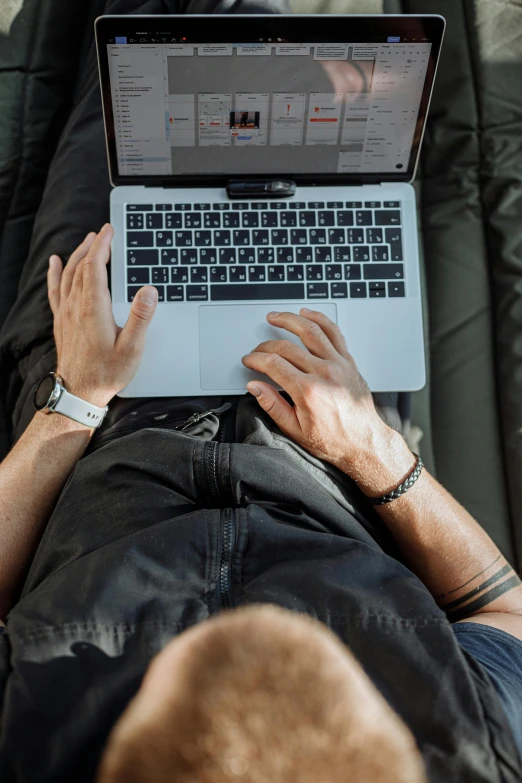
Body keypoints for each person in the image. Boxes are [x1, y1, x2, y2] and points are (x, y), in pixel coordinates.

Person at [0, 5, 522, 783]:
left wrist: (74, 400)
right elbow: (507, 613)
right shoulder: (466, 749)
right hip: (328, 432)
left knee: (127, 80)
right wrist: (369, 446)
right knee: (310, 100)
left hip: (96, 417)